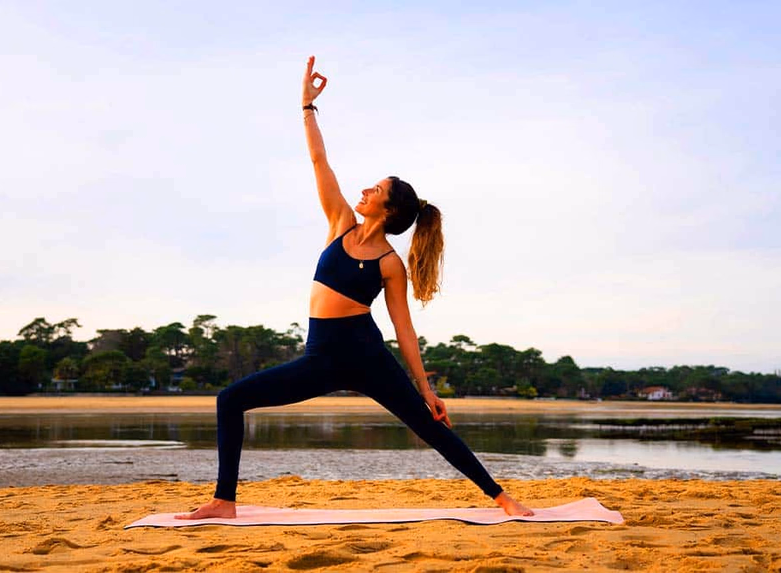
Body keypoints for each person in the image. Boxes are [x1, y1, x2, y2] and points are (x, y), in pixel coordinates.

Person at [177, 56, 533, 519]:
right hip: (320, 357)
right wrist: (307, 106)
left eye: (375, 189)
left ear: (386, 209)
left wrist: (427, 389)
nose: (364, 189)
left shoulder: (390, 263)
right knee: (231, 400)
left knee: (430, 426)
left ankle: (502, 498)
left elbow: (404, 331)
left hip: (367, 356)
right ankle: (224, 500)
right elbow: (318, 160)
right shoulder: (340, 223)